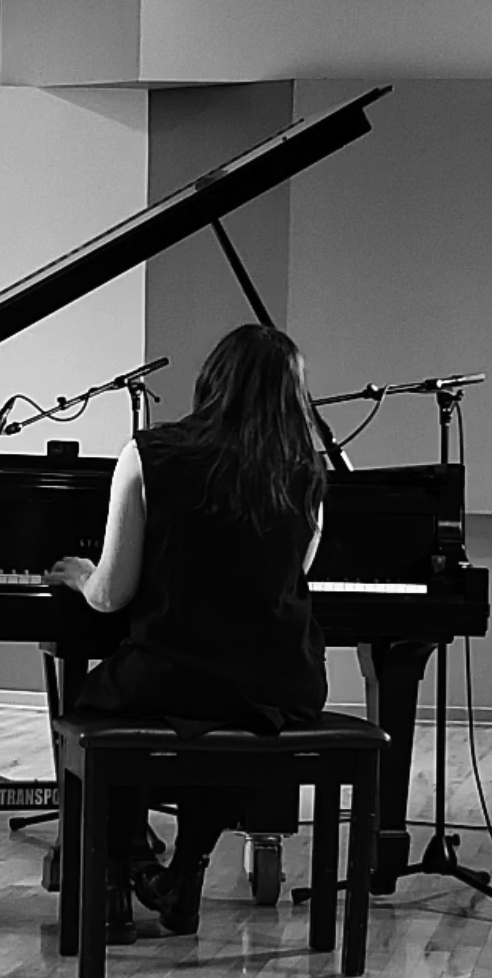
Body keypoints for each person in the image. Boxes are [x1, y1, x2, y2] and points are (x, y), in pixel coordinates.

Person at [44, 323, 328, 940]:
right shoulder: (306, 474)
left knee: (95, 703)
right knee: (244, 722)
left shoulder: (149, 455)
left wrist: (82, 575)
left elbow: (112, 595)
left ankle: (116, 875)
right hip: (276, 681)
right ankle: (188, 866)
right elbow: (291, 574)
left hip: (173, 672)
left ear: (212, 381)